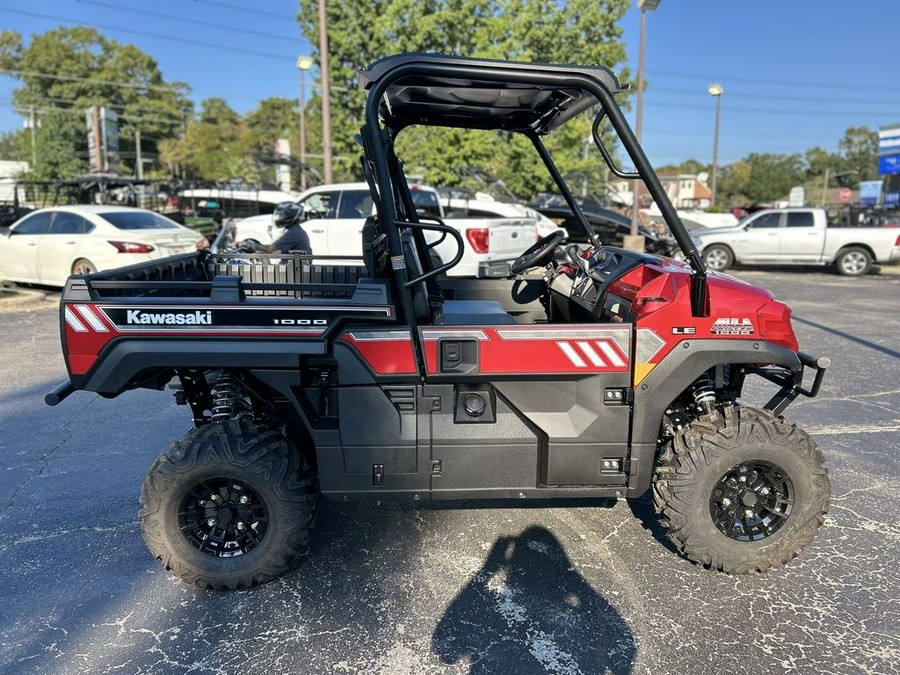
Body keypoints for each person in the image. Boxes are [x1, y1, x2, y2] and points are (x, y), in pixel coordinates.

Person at [239, 201, 311, 254]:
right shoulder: (292, 230)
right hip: (292, 267)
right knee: (260, 253)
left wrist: (247, 244)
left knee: (260, 254)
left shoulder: (294, 233)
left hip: (293, 270)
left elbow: (270, 249)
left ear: (290, 216)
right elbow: (274, 249)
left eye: (282, 216)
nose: (278, 218)